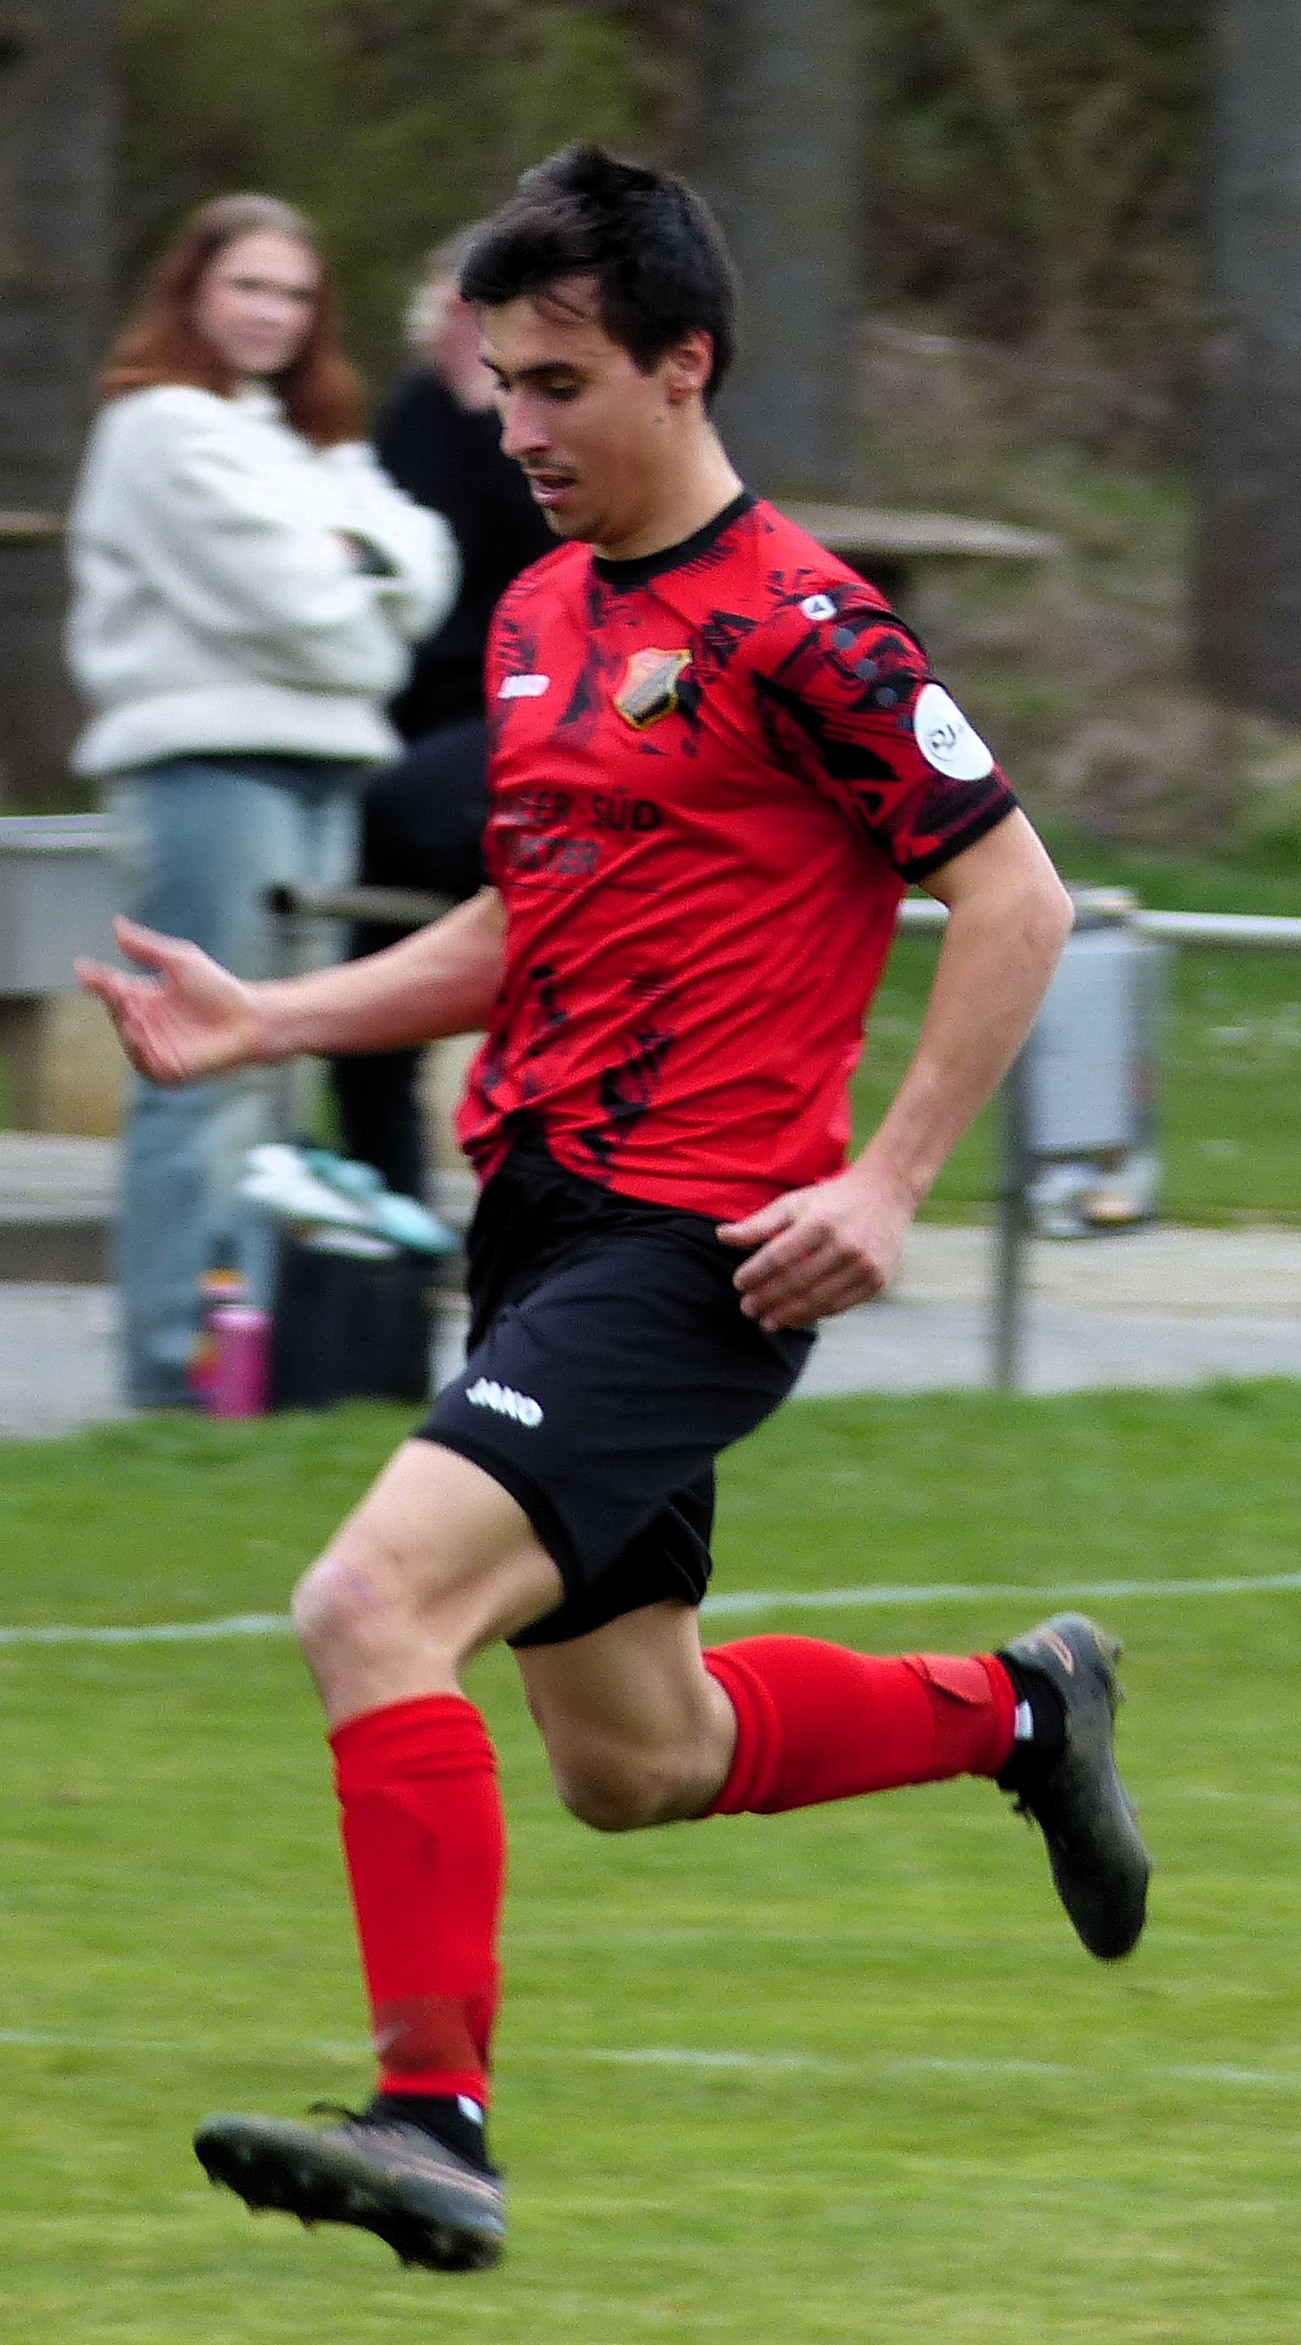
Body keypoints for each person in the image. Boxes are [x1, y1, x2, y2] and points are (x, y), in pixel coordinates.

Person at [78, 146, 1150, 2273]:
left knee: (367, 1605)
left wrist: (886, 1180)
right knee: (638, 1757)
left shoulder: (812, 629)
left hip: (700, 1250)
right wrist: (273, 1017)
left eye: (559, 382)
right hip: (539, 1224)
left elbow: (1014, 896)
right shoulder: (540, 614)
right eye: (500, 382)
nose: (517, 428)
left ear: (687, 363)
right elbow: (528, 920)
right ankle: (1025, 1707)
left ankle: (433, 2119)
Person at [65, 193, 456, 1407]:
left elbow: (428, 561)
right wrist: (361, 588)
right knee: (197, 1076)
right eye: (246, 286)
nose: (269, 314)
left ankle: (251, 1369)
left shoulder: (313, 444)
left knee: (276, 1068)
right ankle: (170, 1375)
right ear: (191, 291)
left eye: (292, 293)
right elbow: (297, 607)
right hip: (210, 767)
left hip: (327, 769)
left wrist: (355, 569)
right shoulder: (157, 426)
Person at [331, 232, 556, 1199]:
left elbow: (545, 555)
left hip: (526, 715)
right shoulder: (409, 415)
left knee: (408, 815)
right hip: (415, 718)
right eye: (451, 309)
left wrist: (484, 407)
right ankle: (388, 1231)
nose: (459, 330)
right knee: (359, 1012)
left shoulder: (545, 420)